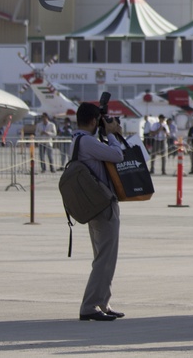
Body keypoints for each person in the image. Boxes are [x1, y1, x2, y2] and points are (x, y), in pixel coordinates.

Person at [71, 101, 126, 321]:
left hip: (94, 205)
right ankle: (91, 305)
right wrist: (112, 134)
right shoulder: (86, 142)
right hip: (103, 207)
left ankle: (102, 301)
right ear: (94, 121)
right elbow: (118, 155)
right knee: (105, 258)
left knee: (103, 257)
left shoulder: (77, 140)